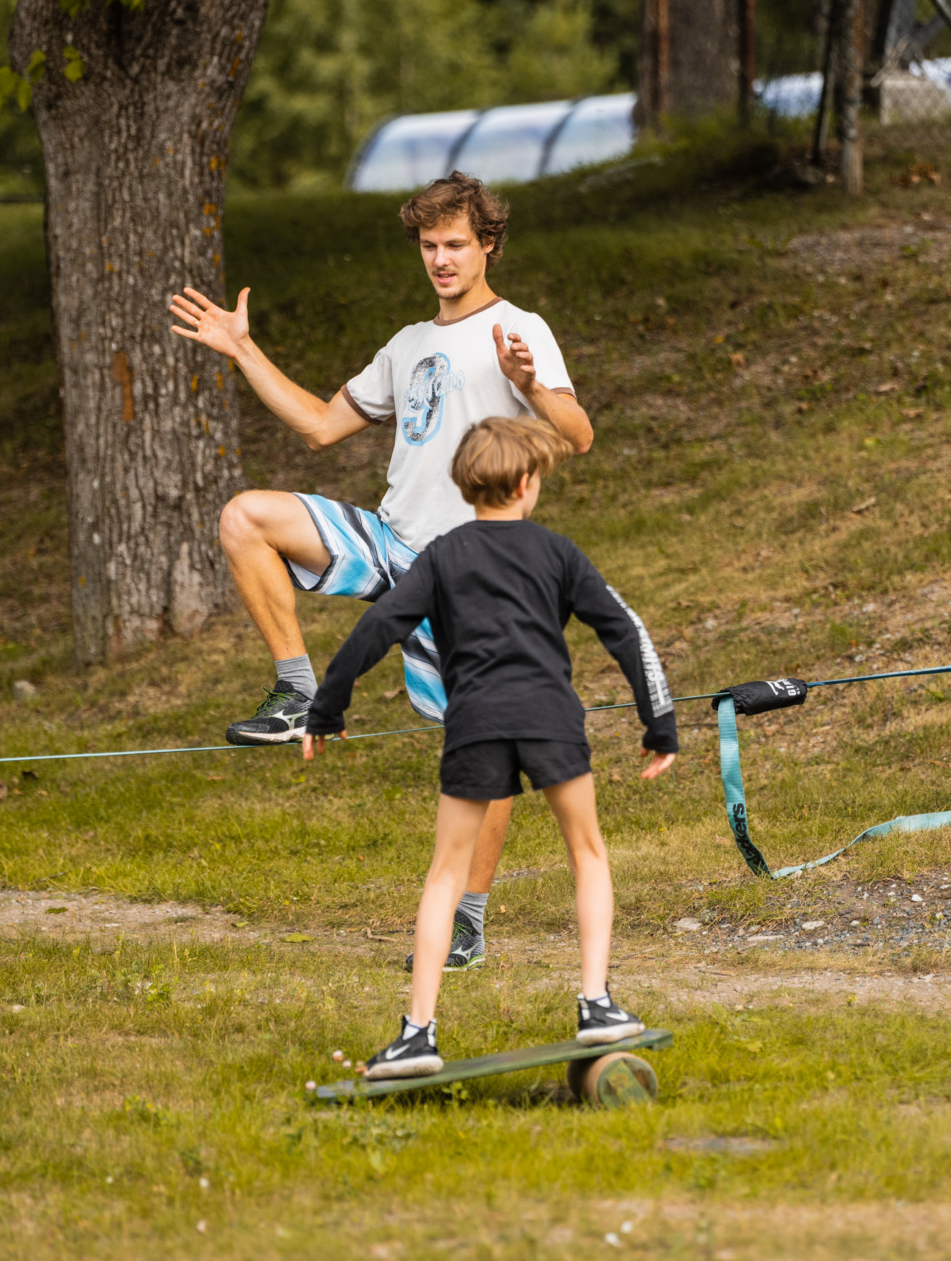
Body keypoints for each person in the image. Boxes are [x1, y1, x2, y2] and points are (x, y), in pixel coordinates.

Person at [171, 172, 592, 972]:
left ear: (488, 246)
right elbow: (321, 427)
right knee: (245, 516)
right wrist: (240, 348)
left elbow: (577, 435)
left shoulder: (518, 327)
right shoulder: (405, 346)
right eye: (430, 245)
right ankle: (295, 692)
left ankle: (467, 917)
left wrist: (533, 383)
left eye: (457, 245)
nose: (441, 259)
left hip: (472, 568)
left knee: (485, 744)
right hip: (391, 542)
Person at [300, 417, 677, 1078]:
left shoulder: (442, 555)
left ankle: (418, 1033)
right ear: (527, 482)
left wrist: (325, 709)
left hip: (472, 721)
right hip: (550, 717)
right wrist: (660, 725)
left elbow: (379, 625)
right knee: (587, 854)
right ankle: (596, 1005)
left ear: (467, 484)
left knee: (445, 874)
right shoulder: (558, 552)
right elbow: (624, 630)